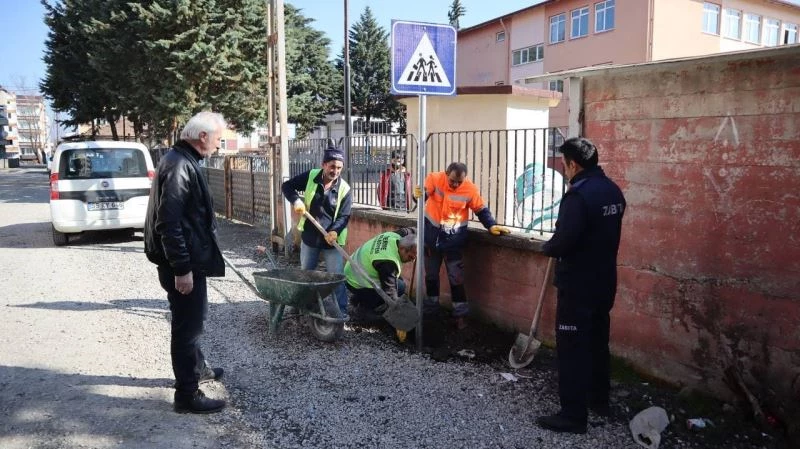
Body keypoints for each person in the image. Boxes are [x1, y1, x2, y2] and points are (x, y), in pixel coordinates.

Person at [536, 137, 626, 434]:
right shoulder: (613, 191)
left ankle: (573, 415)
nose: (564, 170)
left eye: (564, 164)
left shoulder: (578, 196)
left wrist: (547, 248)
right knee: (598, 342)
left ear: (573, 164)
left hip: (578, 285)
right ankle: (598, 399)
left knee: (572, 347)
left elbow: (565, 239)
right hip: (604, 281)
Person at [144, 111, 227, 414]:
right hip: (183, 265)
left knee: (194, 318)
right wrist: (182, 269)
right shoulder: (180, 165)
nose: (220, 145)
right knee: (187, 327)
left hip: (186, 261)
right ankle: (187, 395)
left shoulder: (179, 158)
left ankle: (198, 368)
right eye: (218, 139)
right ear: (202, 136)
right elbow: (169, 222)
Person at [413, 162, 510, 328]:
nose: (455, 185)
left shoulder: (470, 189)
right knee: (431, 277)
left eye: (459, 182)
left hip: (453, 241)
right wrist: (417, 195)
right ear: (446, 173)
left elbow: (480, 209)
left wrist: (491, 225)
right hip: (430, 239)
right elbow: (422, 195)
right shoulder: (434, 179)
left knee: (456, 279)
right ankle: (431, 312)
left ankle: (460, 315)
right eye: (452, 181)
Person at [282, 143, 352, 317]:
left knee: (337, 278)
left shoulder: (345, 189)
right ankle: (301, 307)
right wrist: (296, 201)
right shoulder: (312, 176)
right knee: (306, 274)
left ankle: (340, 313)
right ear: (323, 164)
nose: (335, 171)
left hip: (331, 240)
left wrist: (335, 231)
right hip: (310, 237)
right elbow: (287, 186)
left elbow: (344, 216)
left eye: (339, 168)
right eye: (332, 166)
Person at [344, 227, 417, 319]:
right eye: (410, 257)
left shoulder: (395, 236)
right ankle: (363, 310)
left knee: (398, 282)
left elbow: (409, 230)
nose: (412, 261)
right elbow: (390, 293)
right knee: (400, 287)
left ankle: (357, 299)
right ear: (403, 249)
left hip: (352, 271)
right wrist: (400, 314)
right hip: (356, 282)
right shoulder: (387, 262)